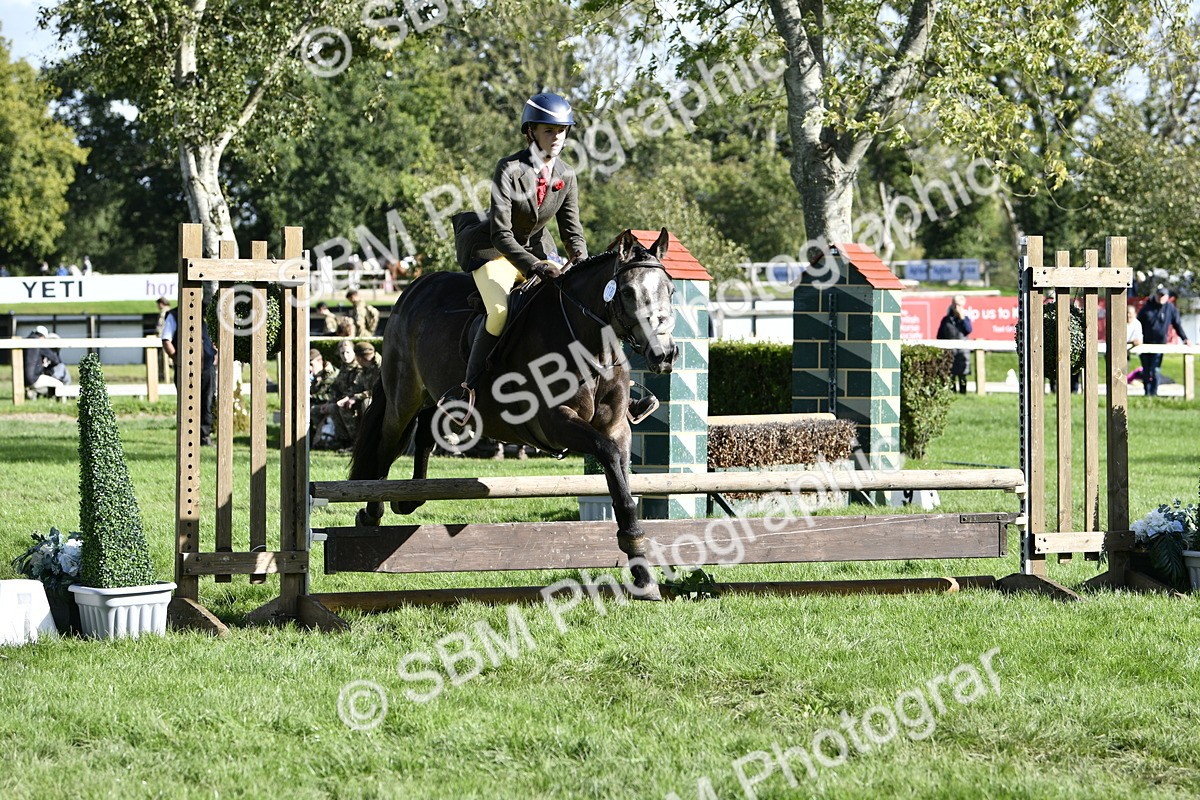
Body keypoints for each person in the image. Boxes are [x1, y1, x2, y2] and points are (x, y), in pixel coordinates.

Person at [445, 91, 591, 418]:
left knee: (575, 303)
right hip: (494, 250)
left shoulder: (566, 174)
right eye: (549, 131)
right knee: (499, 312)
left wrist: (580, 259)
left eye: (562, 131)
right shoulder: (509, 169)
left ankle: (598, 386)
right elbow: (501, 233)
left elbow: (571, 229)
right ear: (531, 133)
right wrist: (537, 266)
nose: (557, 137)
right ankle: (466, 391)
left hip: (539, 249)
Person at [162, 302, 216, 445]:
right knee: (187, 403)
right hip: (185, 368)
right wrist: (177, 359)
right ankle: (188, 438)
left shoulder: (206, 313)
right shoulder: (174, 315)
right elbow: (166, 340)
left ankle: (204, 436)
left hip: (207, 367)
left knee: (207, 402)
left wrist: (215, 354)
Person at [1136, 285, 1190, 396]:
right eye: (1159, 295)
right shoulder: (1146, 308)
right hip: (1145, 344)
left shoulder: (1170, 308)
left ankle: (1154, 394)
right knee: (1146, 370)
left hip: (1160, 344)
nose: (1161, 297)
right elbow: (1137, 324)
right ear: (1156, 295)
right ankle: (1147, 394)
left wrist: (1185, 338)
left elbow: (1177, 325)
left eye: (1163, 295)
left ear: (1167, 297)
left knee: (1155, 370)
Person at [937, 294, 973, 393]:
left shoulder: (965, 319)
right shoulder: (946, 320)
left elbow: (968, 330)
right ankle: (952, 393)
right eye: (955, 305)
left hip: (963, 352)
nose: (957, 308)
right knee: (951, 374)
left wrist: (962, 318)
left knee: (963, 374)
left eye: (959, 305)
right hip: (950, 352)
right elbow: (940, 336)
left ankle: (963, 393)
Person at [308, 348, 340, 441]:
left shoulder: (332, 374)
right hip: (321, 403)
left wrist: (312, 396)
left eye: (311, 364)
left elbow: (332, 395)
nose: (309, 368)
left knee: (312, 410)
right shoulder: (315, 375)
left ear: (320, 361)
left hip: (330, 403)